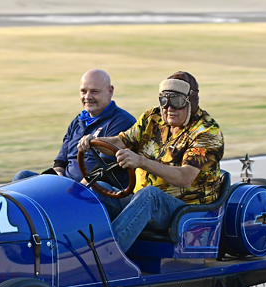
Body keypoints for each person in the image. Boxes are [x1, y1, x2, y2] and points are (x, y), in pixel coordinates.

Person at [78, 71, 224, 253]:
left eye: (176, 102)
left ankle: (108, 258)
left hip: (186, 213)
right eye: (164, 101)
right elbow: (119, 142)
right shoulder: (152, 118)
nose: (169, 108)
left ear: (190, 103)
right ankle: (69, 247)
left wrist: (141, 162)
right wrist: (93, 142)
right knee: (93, 188)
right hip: (139, 202)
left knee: (150, 195)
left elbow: (185, 178)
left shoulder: (206, 132)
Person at [13, 69, 135, 187]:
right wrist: (58, 175)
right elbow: (61, 161)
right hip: (67, 186)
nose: (88, 96)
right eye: (83, 91)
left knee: (96, 186)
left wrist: (74, 192)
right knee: (22, 177)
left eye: (94, 91)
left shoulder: (121, 121)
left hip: (95, 189)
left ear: (110, 91)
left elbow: (104, 168)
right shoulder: (78, 121)